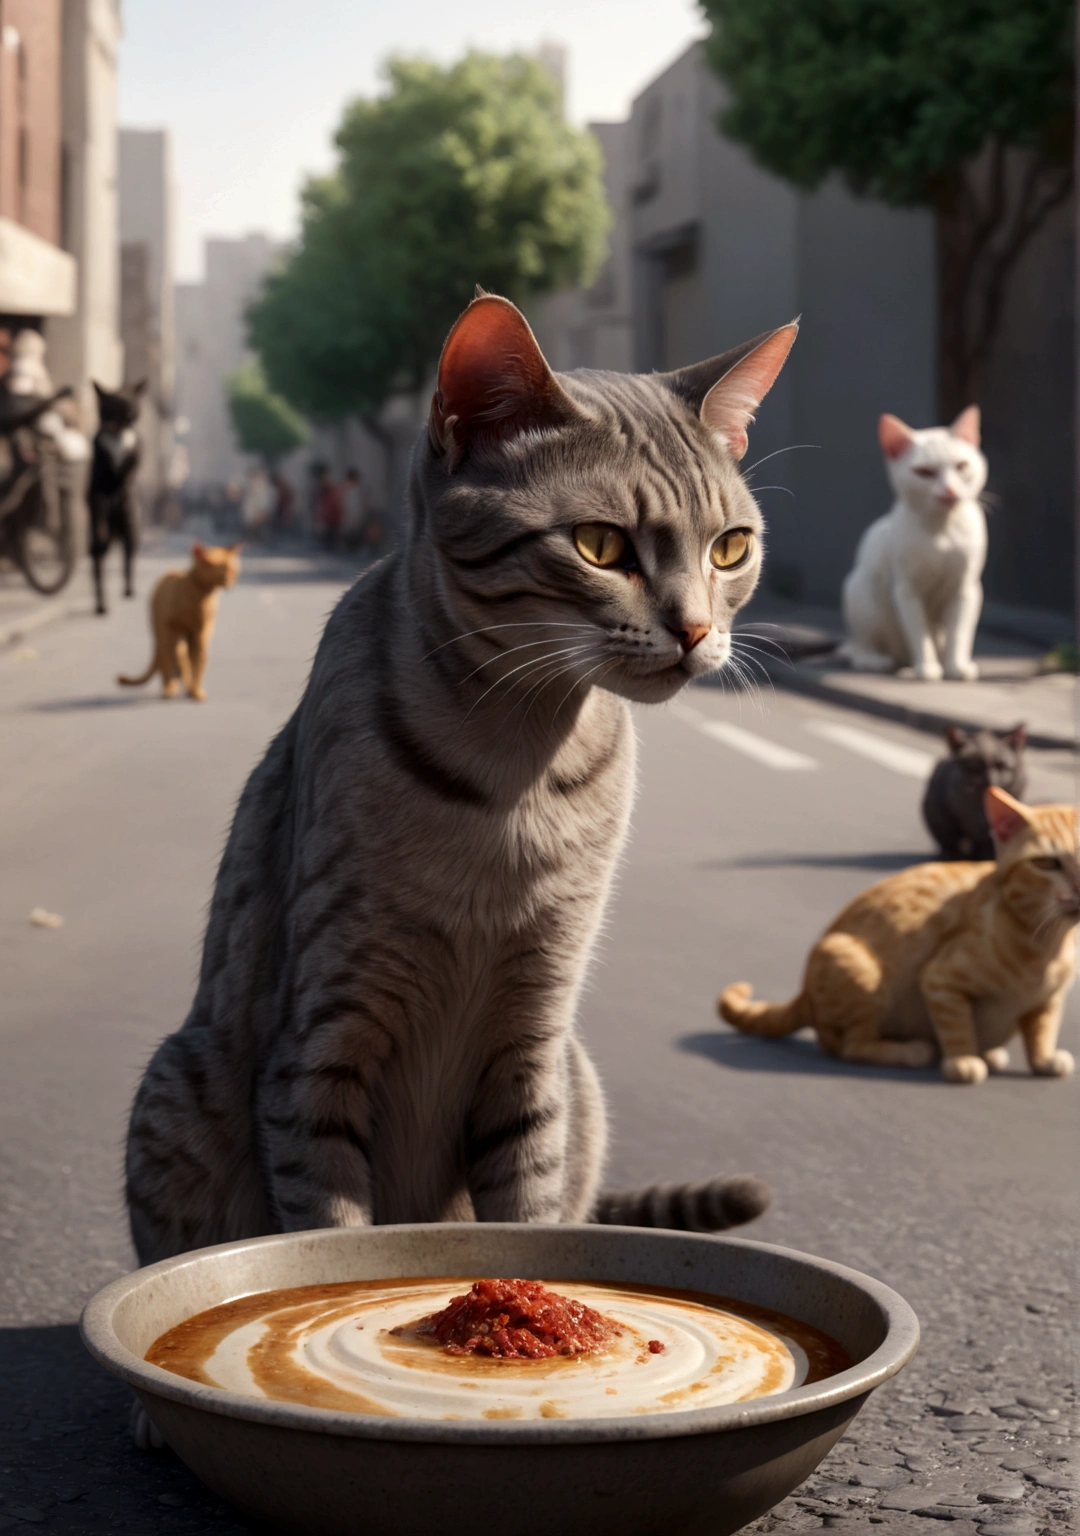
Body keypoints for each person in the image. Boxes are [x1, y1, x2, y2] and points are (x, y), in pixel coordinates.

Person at [315, 466, 343, 550]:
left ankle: (332, 547)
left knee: (332, 532)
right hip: (327, 515)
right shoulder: (322, 488)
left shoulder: (331, 488)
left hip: (333, 515)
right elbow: (321, 502)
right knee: (327, 533)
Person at [341, 467, 365, 549]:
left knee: (357, 531)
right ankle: (350, 547)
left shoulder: (359, 489)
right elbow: (344, 502)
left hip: (357, 514)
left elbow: (362, 503)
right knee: (349, 532)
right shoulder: (347, 489)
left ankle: (356, 547)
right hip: (349, 514)